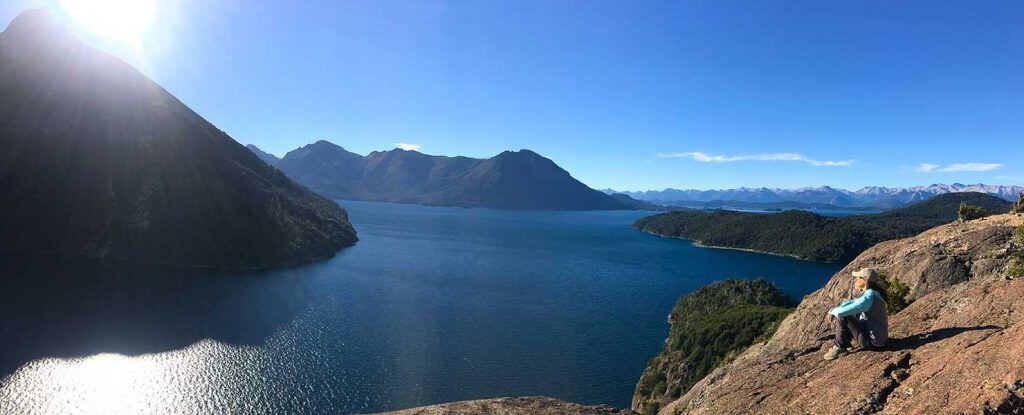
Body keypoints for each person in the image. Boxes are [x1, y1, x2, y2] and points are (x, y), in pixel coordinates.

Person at [823, 268, 889, 360]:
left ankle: (840, 347)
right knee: (853, 314)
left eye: (858, 278)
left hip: (872, 342)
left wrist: (833, 312)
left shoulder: (868, 298)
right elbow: (852, 303)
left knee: (843, 317)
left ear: (865, 281)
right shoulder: (873, 294)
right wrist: (834, 310)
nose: (856, 280)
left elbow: (842, 312)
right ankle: (846, 344)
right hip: (879, 339)